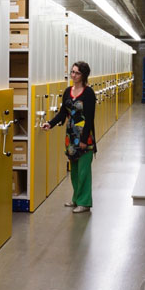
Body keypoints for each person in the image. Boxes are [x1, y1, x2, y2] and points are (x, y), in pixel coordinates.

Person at [41, 61, 96, 213]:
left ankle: (84, 203)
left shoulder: (88, 93)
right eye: (72, 72)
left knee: (84, 171)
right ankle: (76, 198)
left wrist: (84, 140)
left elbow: (90, 118)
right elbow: (63, 113)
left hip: (85, 137)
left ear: (83, 75)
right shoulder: (67, 91)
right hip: (71, 137)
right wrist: (50, 124)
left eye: (77, 73)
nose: (73, 75)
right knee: (75, 170)